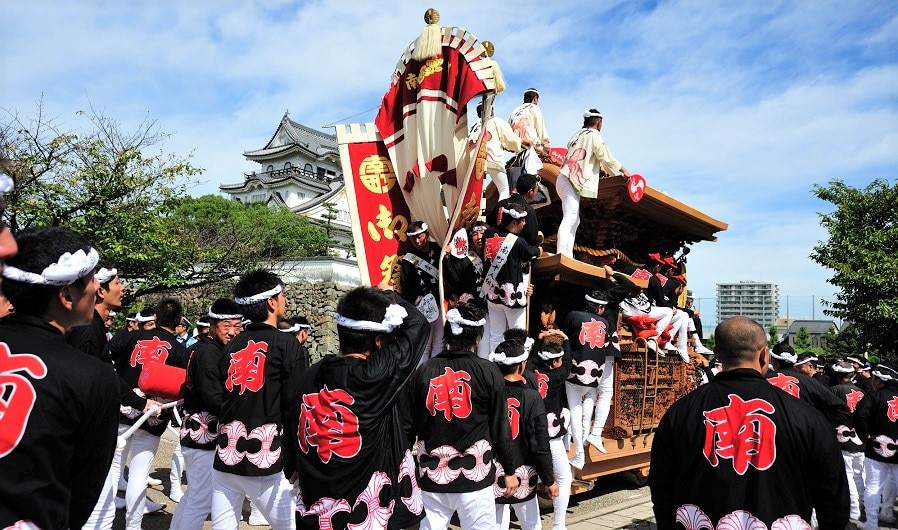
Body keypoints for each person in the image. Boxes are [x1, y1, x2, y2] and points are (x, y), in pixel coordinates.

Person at [649, 316, 848, 530]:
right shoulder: (808, 417)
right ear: (764, 354)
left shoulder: (680, 413)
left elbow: (662, 488)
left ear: (717, 354)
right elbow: (833, 498)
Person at [0, 226, 120, 530]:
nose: (97, 288)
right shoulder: (93, 376)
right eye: (92, 279)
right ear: (66, 295)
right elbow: (84, 488)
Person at [287, 286, 429, 530]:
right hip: (369, 517)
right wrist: (389, 296)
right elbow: (419, 325)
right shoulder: (374, 377)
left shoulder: (308, 378)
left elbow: (292, 429)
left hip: (319, 513)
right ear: (378, 341)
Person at [404, 303, 519, 529]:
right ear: (477, 338)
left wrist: (404, 472)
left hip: (432, 477)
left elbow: (408, 427)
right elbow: (500, 427)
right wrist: (510, 469)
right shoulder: (488, 371)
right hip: (475, 480)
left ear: (447, 333)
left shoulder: (424, 371)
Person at [210, 269, 307, 530]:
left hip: (226, 455)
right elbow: (295, 408)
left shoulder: (231, 346)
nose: (284, 300)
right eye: (282, 295)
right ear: (271, 303)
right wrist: (296, 460)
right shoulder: (289, 347)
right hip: (267, 461)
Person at [108, 297, 190, 530]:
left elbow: (106, 357)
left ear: (155, 317)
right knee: (139, 472)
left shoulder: (129, 336)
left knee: (113, 467)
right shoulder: (178, 349)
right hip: (153, 413)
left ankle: (103, 521)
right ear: (178, 322)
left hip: (123, 406)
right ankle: (133, 526)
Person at [170, 298, 243, 530]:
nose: (232, 332)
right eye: (226, 326)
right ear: (212, 325)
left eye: (237, 326)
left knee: (194, 497)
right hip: (203, 438)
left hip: (195, 437)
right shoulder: (208, 354)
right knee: (200, 502)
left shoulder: (202, 348)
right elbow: (215, 400)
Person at [489, 339, 557, 530]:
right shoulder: (532, 396)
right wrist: (549, 479)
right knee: (531, 523)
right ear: (522, 365)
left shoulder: (487, 394)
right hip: (524, 470)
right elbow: (540, 443)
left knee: (495, 523)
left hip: (492, 469)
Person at [554, 110, 630, 258]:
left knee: (575, 219)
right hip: (570, 180)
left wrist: (599, 167)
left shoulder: (578, 135)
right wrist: (623, 170)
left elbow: (589, 157)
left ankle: (567, 253)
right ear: (599, 122)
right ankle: (561, 252)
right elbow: (606, 157)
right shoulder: (594, 136)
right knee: (570, 216)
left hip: (564, 178)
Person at [562, 291, 613, 467]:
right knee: (589, 397)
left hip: (575, 372)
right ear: (598, 307)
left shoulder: (573, 315)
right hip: (595, 374)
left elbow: (564, 339)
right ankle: (586, 435)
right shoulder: (605, 323)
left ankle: (579, 454)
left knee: (574, 409)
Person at [529, 333, 573, 530]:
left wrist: (540, 340)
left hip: (529, 435)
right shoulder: (557, 376)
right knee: (564, 479)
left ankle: (535, 524)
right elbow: (569, 362)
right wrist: (565, 339)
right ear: (555, 362)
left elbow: (532, 358)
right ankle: (558, 525)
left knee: (527, 482)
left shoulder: (529, 371)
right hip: (550, 438)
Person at [482, 203, 541, 352]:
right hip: (511, 296)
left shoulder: (488, 234)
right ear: (514, 222)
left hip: (492, 293)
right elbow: (530, 252)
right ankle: (514, 368)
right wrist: (539, 248)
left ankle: (496, 366)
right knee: (518, 336)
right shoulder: (518, 242)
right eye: (522, 220)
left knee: (495, 335)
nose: (525, 223)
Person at [855, 361, 898, 530]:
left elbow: (860, 416)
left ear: (880, 381)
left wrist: (864, 435)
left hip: (876, 446)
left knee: (873, 486)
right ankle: (887, 512)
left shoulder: (873, 396)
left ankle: (871, 524)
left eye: (874, 378)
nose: (871, 381)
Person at [398, 221, 443, 362]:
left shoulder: (439, 250)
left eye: (420, 236)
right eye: (413, 238)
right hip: (421, 306)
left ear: (427, 235)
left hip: (441, 301)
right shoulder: (408, 259)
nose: (417, 241)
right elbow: (406, 286)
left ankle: (435, 373)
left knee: (439, 342)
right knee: (425, 344)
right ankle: (421, 375)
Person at [830, 361, 867, 522]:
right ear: (852, 374)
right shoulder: (862, 391)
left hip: (842, 437)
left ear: (836, 375)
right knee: (859, 474)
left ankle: (853, 510)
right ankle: (862, 504)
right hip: (860, 439)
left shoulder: (833, 391)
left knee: (849, 474)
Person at [468, 102, 521, 201]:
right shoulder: (496, 121)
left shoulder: (473, 126)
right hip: (491, 159)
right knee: (504, 188)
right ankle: (501, 214)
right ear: (490, 111)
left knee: (475, 192)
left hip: (471, 163)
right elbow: (511, 140)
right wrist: (518, 145)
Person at [486, 172, 543, 247]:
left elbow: (490, 222)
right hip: (516, 253)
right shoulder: (528, 211)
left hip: (496, 247)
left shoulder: (501, 204)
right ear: (530, 191)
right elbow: (532, 240)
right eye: (537, 189)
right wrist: (540, 238)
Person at [508, 88, 549, 152]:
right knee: (544, 149)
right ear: (535, 98)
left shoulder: (514, 111)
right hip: (533, 144)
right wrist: (546, 142)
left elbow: (508, 130)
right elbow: (540, 126)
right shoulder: (534, 107)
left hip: (517, 146)